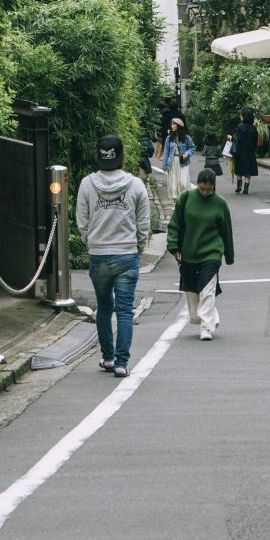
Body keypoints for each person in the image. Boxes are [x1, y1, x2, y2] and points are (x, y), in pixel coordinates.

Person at [75, 134, 153, 377]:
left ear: (98, 156)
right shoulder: (135, 185)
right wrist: (139, 247)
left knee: (104, 308)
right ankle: (121, 363)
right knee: (125, 310)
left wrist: (92, 241)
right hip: (126, 253)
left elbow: (82, 221)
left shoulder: (87, 184)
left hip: (99, 255)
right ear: (122, 156)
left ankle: (107, 357)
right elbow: (144, 223)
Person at [166, 166, 234, 341]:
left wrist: (229, 255)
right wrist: (173, 246)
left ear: (214, 186)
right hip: (189, 251)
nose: (204, 192)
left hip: (212, 252)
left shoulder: (220, 203)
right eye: (201, 188)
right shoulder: (186, 198)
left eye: (208, 189)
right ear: (197, 184)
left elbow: (226, 230)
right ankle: (204, 318)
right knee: (192, 290)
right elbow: (175, 224)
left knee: (207, 289)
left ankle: (206, 327)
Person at [160, 118, 195, 201]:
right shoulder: (169, 138)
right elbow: (166, 152)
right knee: (174, 184)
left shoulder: (186, 138)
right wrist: (164, 165)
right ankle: (176, 205)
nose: (171, 126)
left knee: (183, 183)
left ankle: (183, 202)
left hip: (183, 162)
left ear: (178, 126)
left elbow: (192, 148)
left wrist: (187, 154)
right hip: (172, 162)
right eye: (171, 124)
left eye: (174, 124)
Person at [230, 109, 261, 195]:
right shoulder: (253, 128)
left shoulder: (240, 126)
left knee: (239, 169)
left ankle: (239, 186)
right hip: (250, 151)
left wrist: (230, 138)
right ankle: (246, 188)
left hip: (240, 151)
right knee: (248, 169)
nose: (240, 116)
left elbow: (237, 139)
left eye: (241, 115)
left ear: (244, 116)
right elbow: (256, 140)